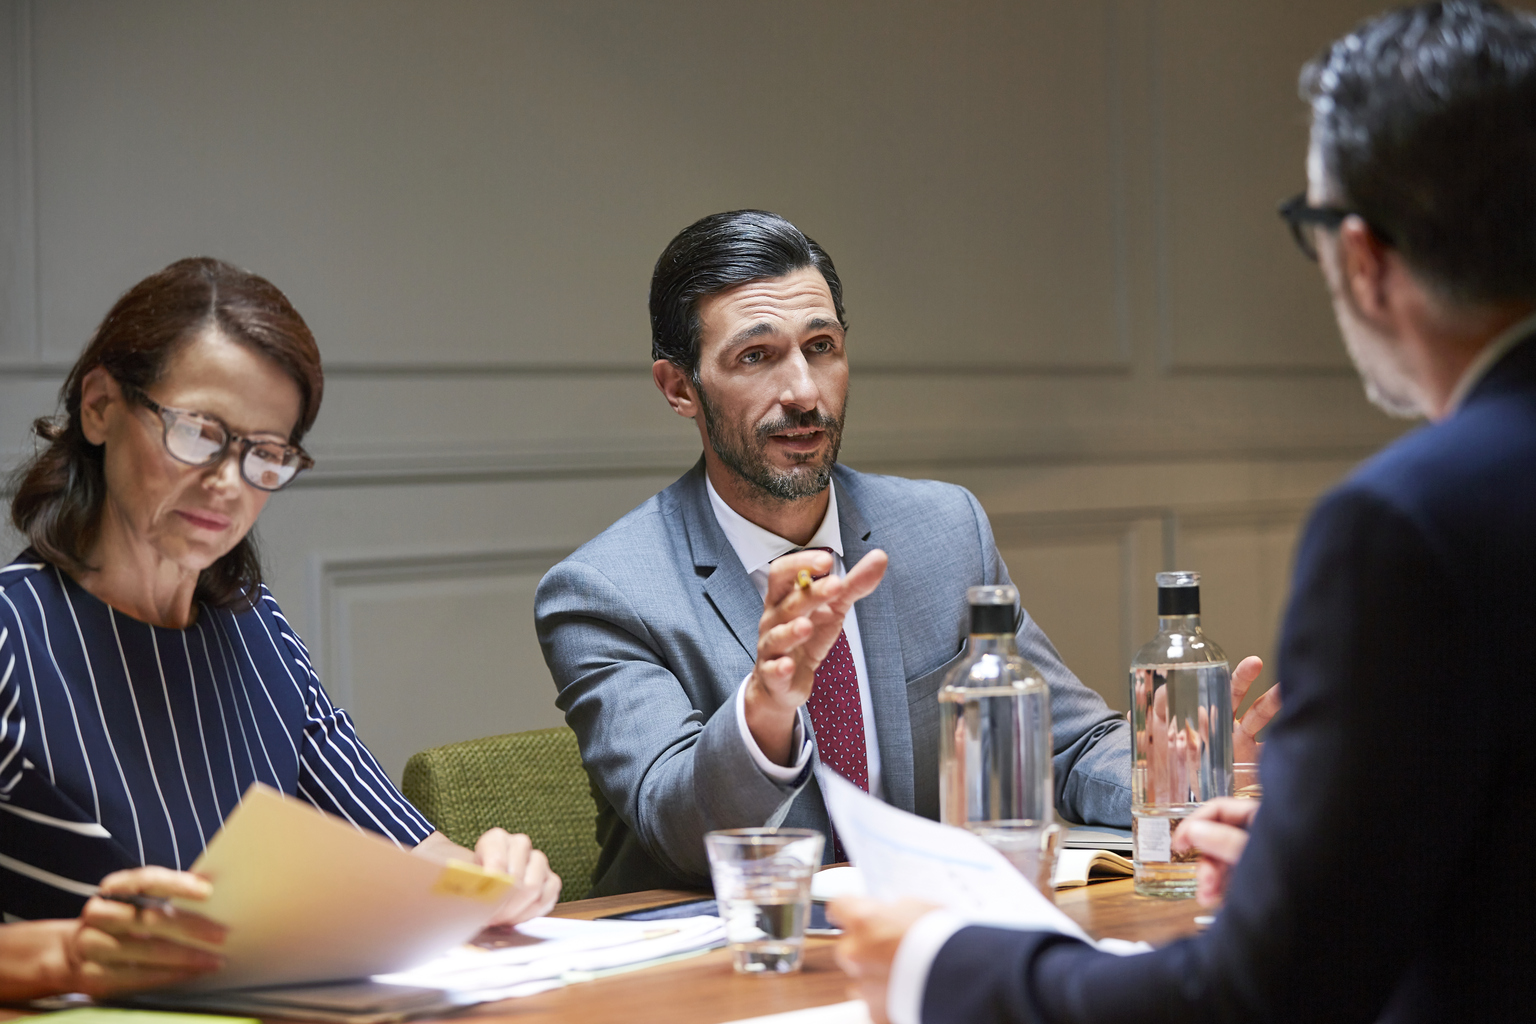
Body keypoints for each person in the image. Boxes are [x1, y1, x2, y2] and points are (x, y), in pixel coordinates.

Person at [830, 3, 1536, 1022]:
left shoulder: (1406, 525)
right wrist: (1325, 862)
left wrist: (940, 965)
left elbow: (1259, 998)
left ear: (1366, 260)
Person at [535, 210, 1277, 896]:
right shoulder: (606, 592)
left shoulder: (942, 529)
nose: (802, 391)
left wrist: (1179, 787)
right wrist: (766, 707)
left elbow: (1069, 744)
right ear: (679, 389)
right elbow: (680, 829)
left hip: (923, 941)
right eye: (756, 356)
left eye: (821, 348)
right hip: (726, 969)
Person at [0, 258, 561, 1000]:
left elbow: (411, 854)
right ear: (100, 406)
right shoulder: (13, 636)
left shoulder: (255, 626)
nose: (229, 484)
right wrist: (68, 955)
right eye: (201, 433)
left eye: (265, 455)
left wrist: (491, 881)